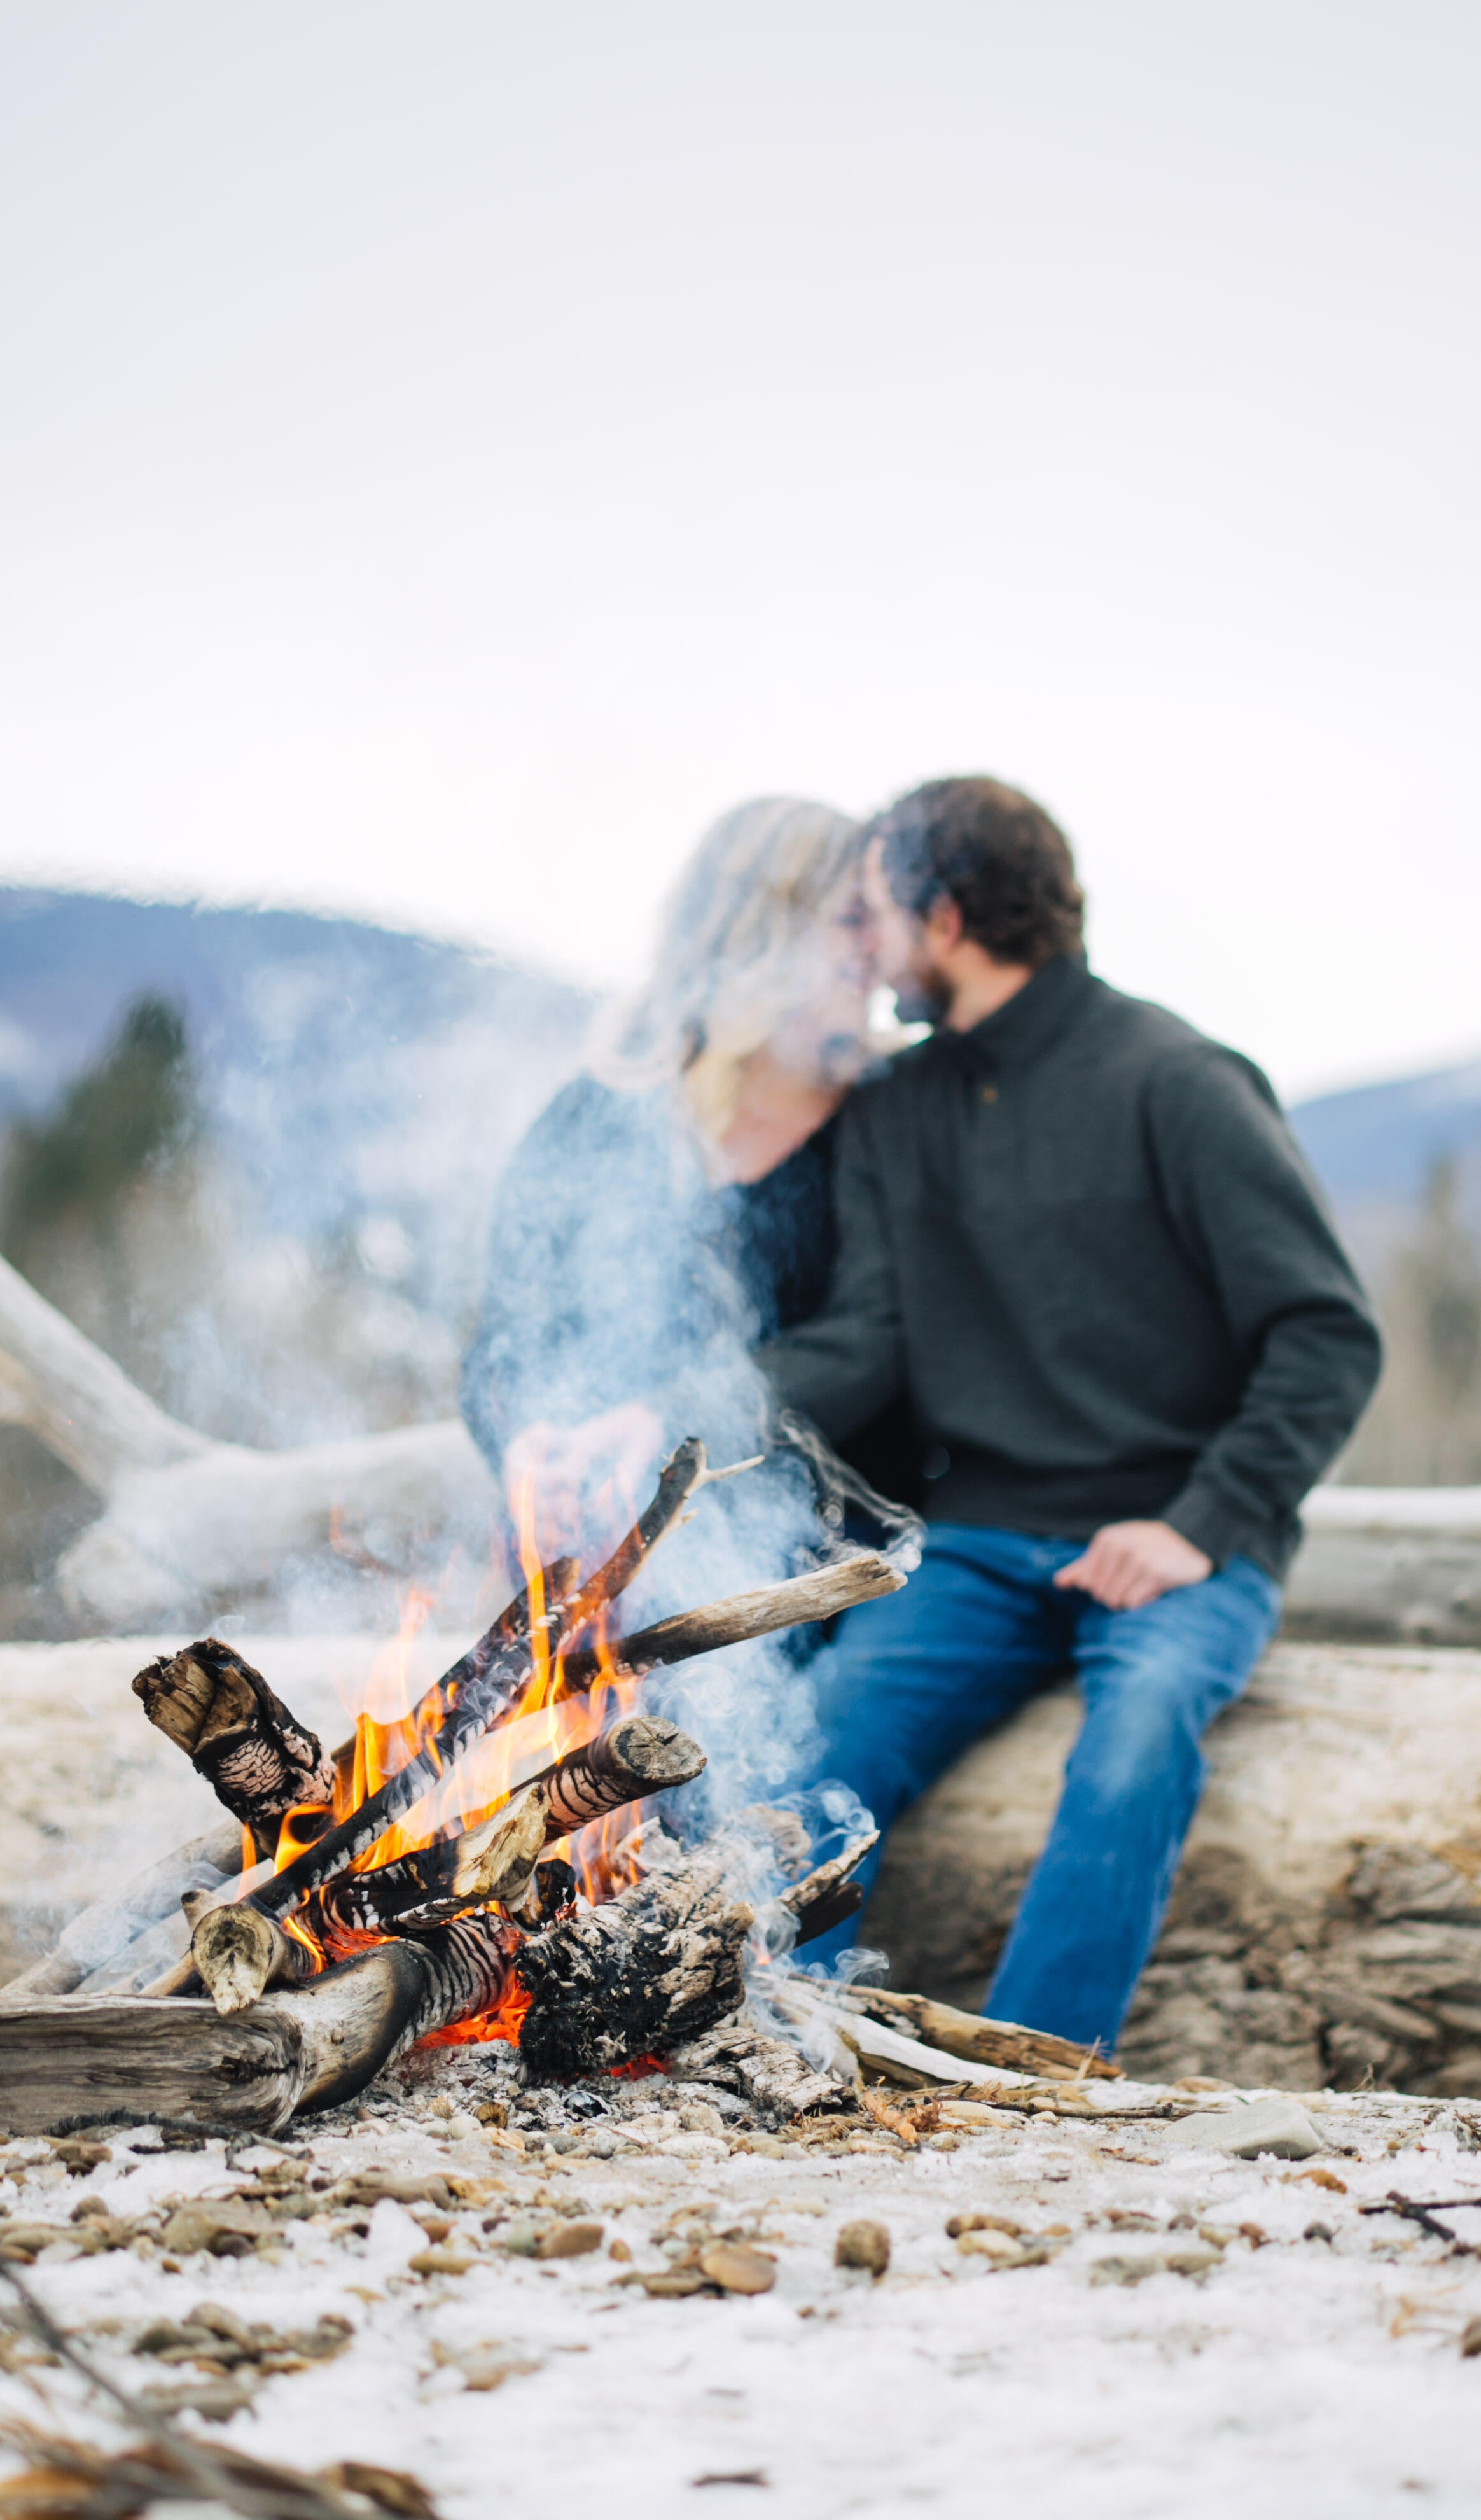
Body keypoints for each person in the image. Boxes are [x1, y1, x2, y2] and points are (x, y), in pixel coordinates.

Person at [757, 775, 1383, 2050]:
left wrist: (1202, 1521)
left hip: (1180, 1533)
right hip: (979, 1537)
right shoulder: (892, 1112)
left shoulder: (1179, 1080)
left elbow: (1328, 1334)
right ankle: (783, 2043)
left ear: (943, 917)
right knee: (819, 1749)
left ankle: (1041, 2075)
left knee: (1135, 1741)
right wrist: (687, 1403)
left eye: (874, 909)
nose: (861, 944)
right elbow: (866, 1343)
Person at [459, 794, 903, 1810]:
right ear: (762, 928)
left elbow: (881, 1346)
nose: (881, 952)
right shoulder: (603, 1110)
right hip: (608, 1568)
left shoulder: (888, 1121)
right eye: (851, 919)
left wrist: (673, 1426)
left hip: (834, 1564)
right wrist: (531, 1439)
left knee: (729, 1790)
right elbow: (505, 1341)